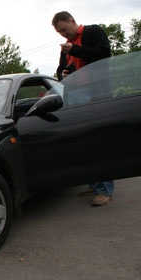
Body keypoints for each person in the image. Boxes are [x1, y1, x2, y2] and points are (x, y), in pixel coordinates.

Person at [52, 11, 113, 206]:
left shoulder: (93, 32)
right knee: (84, 143)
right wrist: (64, 73)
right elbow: (60, 70)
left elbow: (103, 54)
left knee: (99, 142)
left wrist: (75, 51)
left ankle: (106, 190)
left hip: (96, 94)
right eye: (60, 33)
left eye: (64, 29)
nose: (63, 34)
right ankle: (95, 184)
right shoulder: (66, 48)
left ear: (72, 21)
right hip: (74, 96)